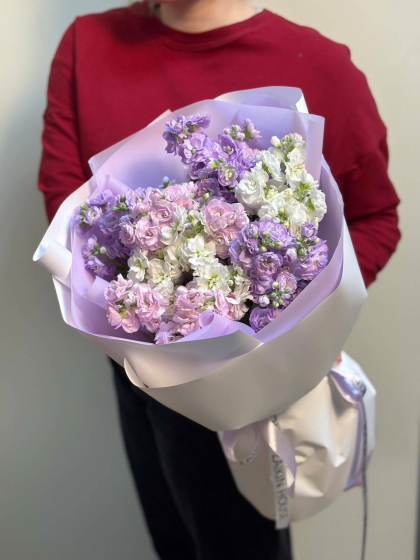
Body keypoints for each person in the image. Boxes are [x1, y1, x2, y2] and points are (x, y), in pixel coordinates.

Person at [38, 1, 401, 558]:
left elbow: (375, 217)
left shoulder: (320, 64)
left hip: (257, 385)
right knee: (173, 541)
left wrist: (304, 326)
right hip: (140, 369)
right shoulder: (87, 47)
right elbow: (68, 218)